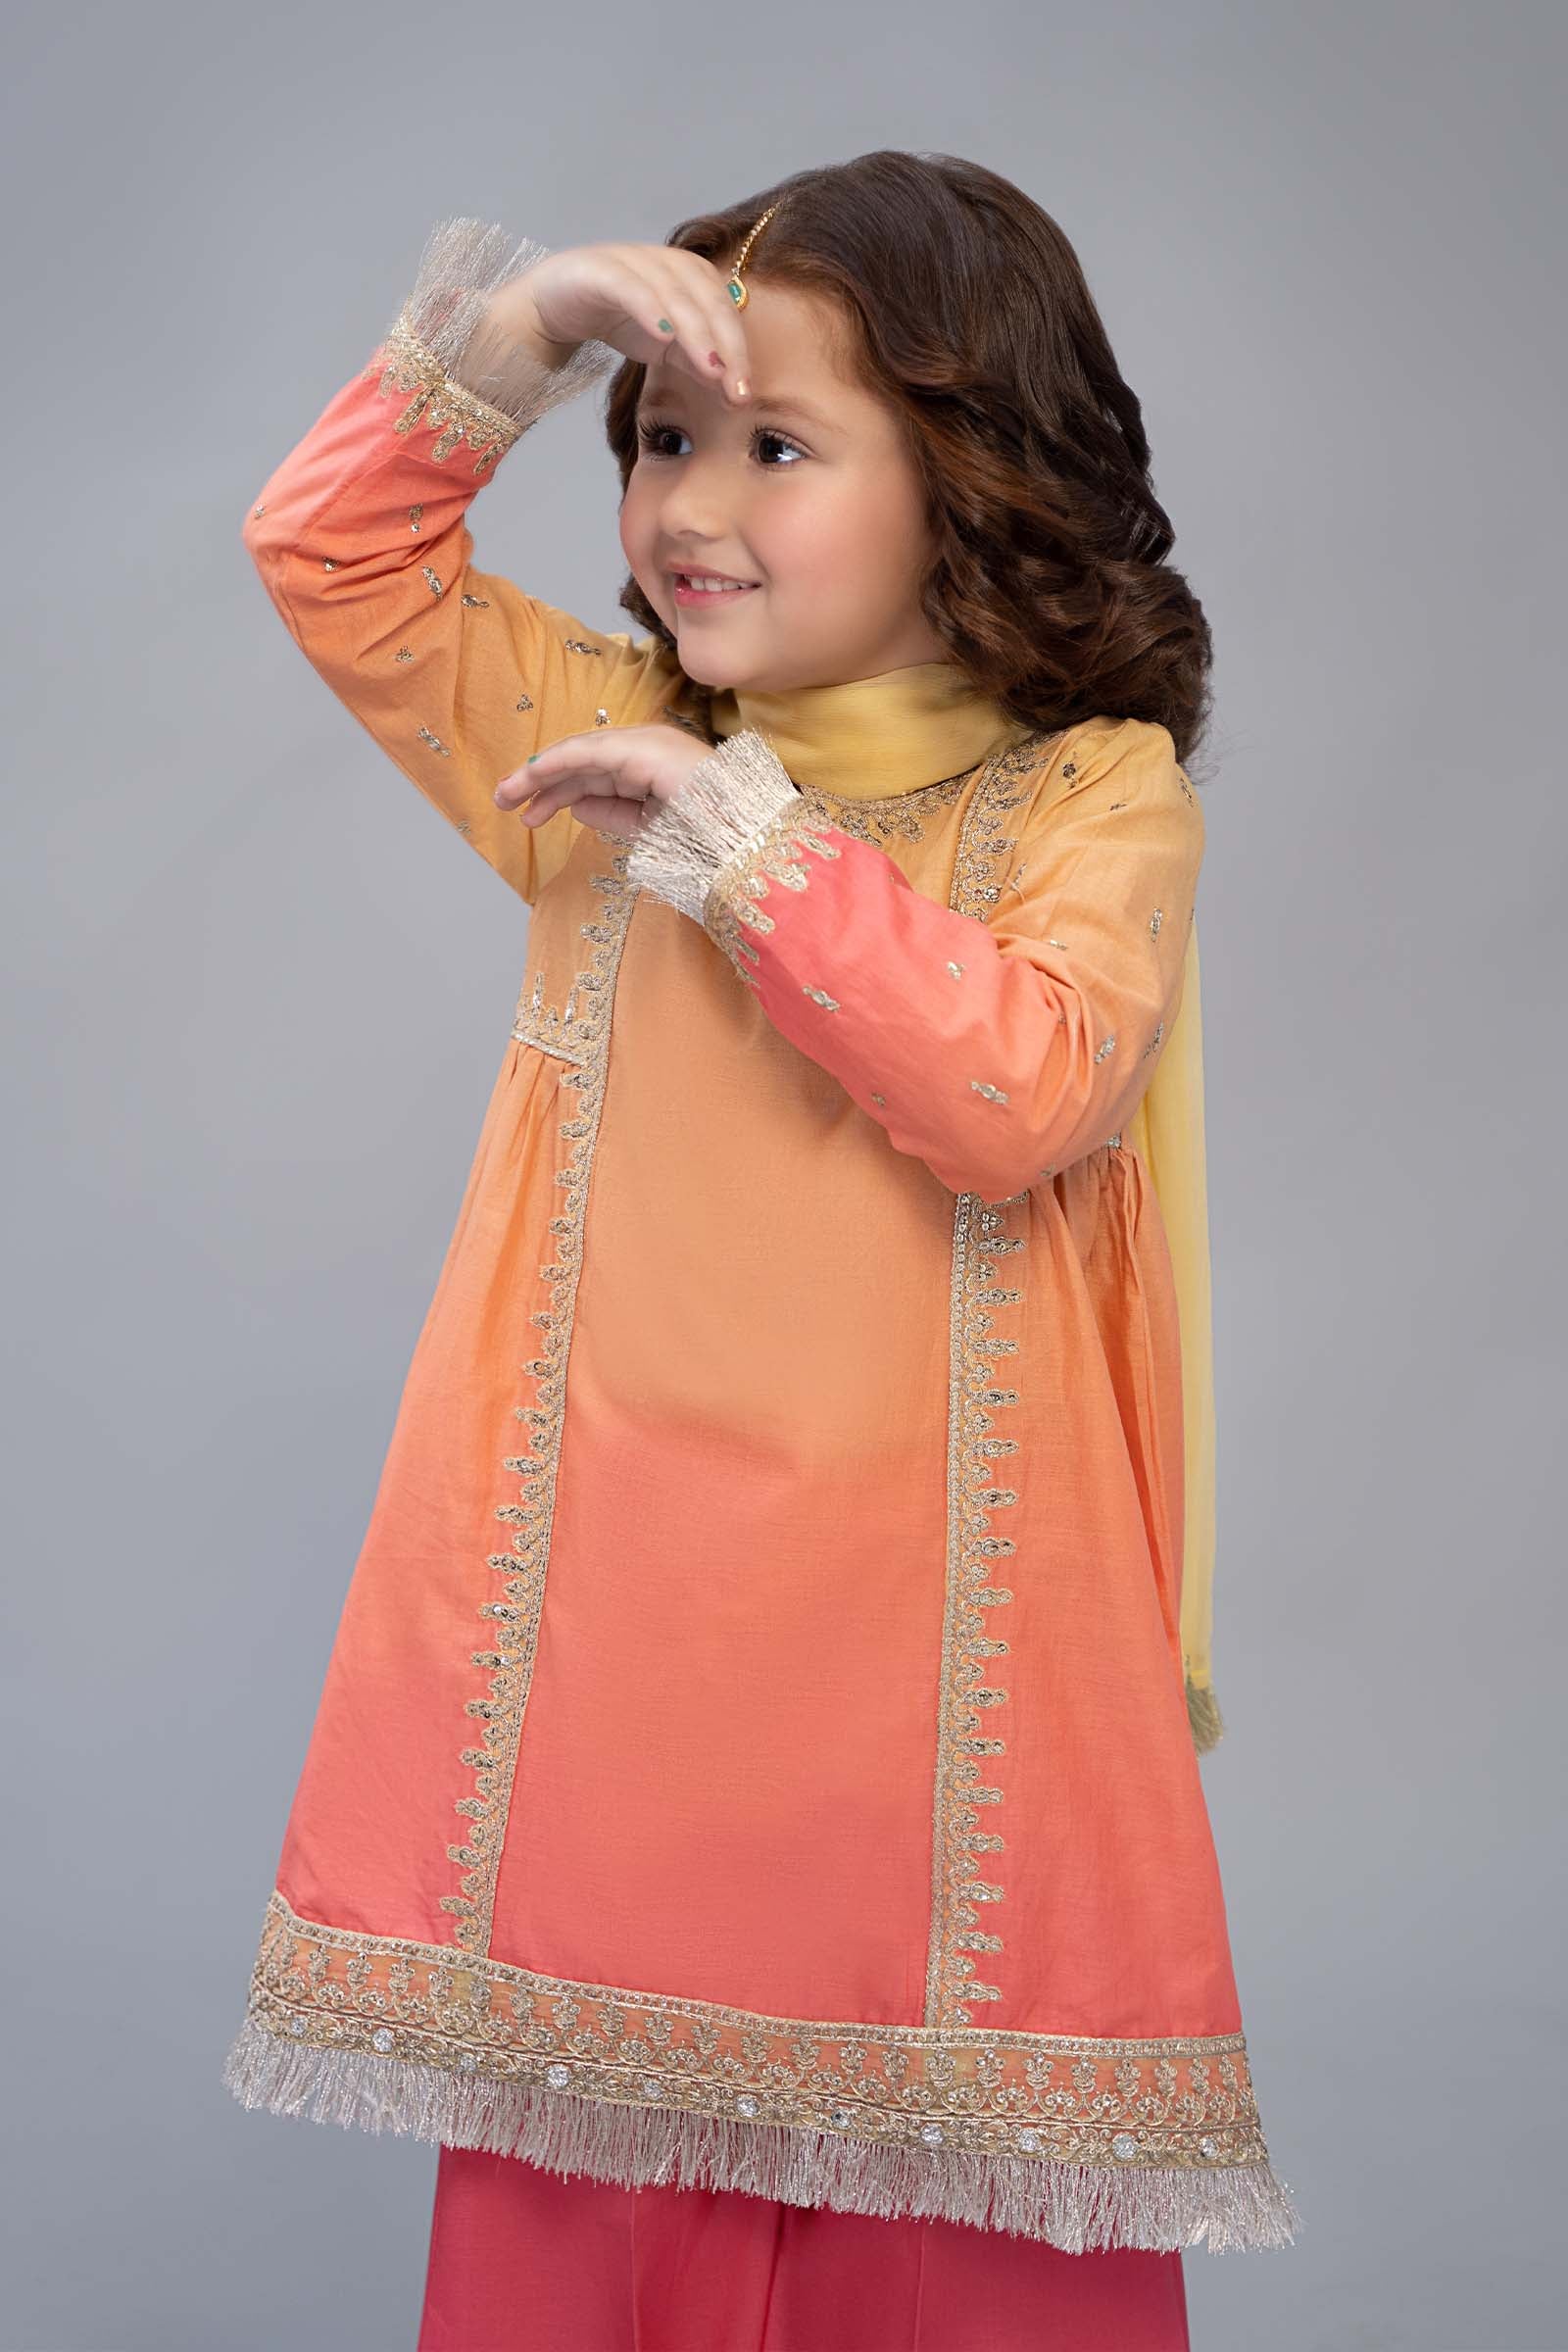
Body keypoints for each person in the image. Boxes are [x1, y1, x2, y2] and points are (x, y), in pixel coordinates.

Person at [222, 151, 1298, 2350]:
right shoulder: (619, 744)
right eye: (659, 437)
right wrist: (518, 338)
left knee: (944, 2280)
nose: (688, 506)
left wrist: (742, 843)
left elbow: (1016, 1091)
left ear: (972, 482)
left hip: (933, 1719)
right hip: (615, 1678)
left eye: (776, 447)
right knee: (588, 2248)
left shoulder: (1087, 800)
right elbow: (332, 555)